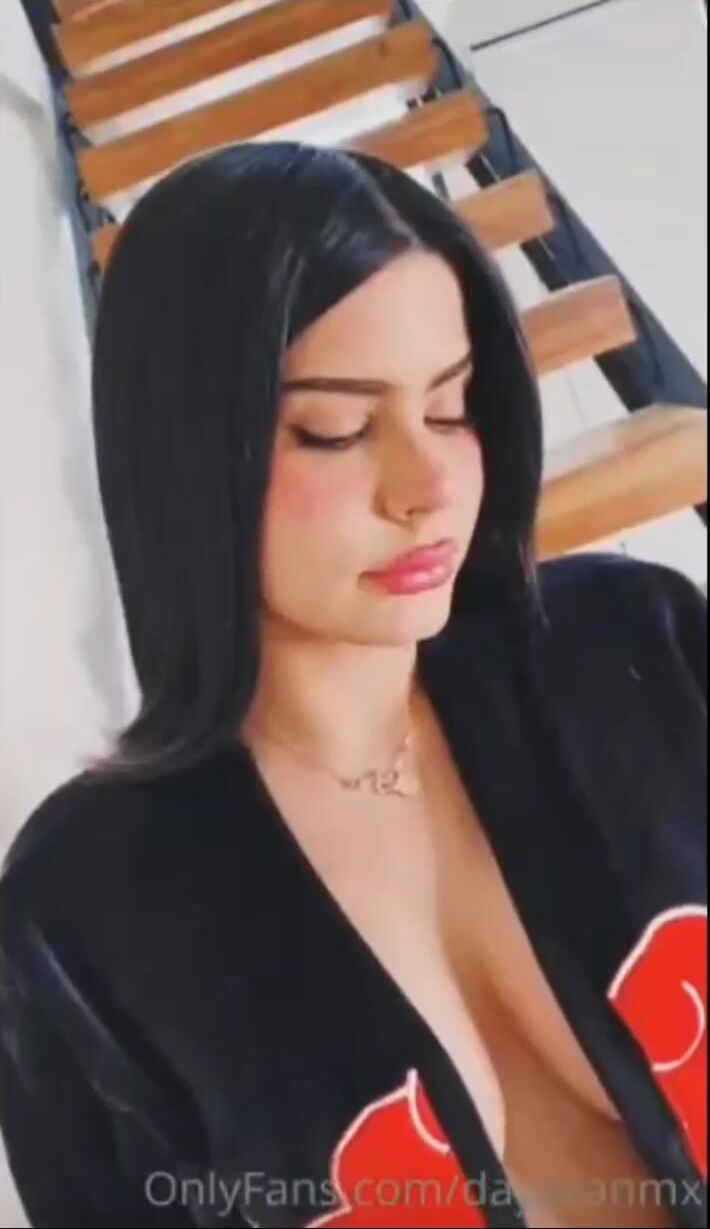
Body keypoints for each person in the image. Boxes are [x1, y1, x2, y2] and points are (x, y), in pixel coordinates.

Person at [0, 143, 706, 1229]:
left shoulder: (636, 652)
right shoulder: (86, 918)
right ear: (190, 453)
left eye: (451, 407)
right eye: (335, 429)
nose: (428, 487)